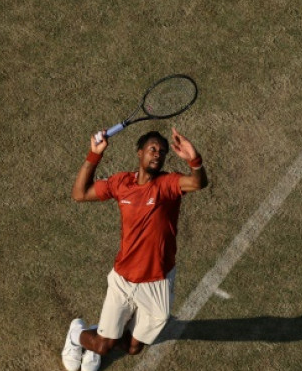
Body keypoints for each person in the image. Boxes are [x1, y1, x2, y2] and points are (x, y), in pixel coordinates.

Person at [61, 127, 208, 371]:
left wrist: (194, 159)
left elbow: (198, 182)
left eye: (162, 152)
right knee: (103, 346)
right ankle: (77, 333)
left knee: (132, 348)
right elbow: (79, 194)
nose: (157, 154)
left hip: (157, 282)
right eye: (152, 149)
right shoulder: (121, 184)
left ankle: (104, 333)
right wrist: (93, 155)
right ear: (139, 153)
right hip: (123, 279)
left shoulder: (167, 185)